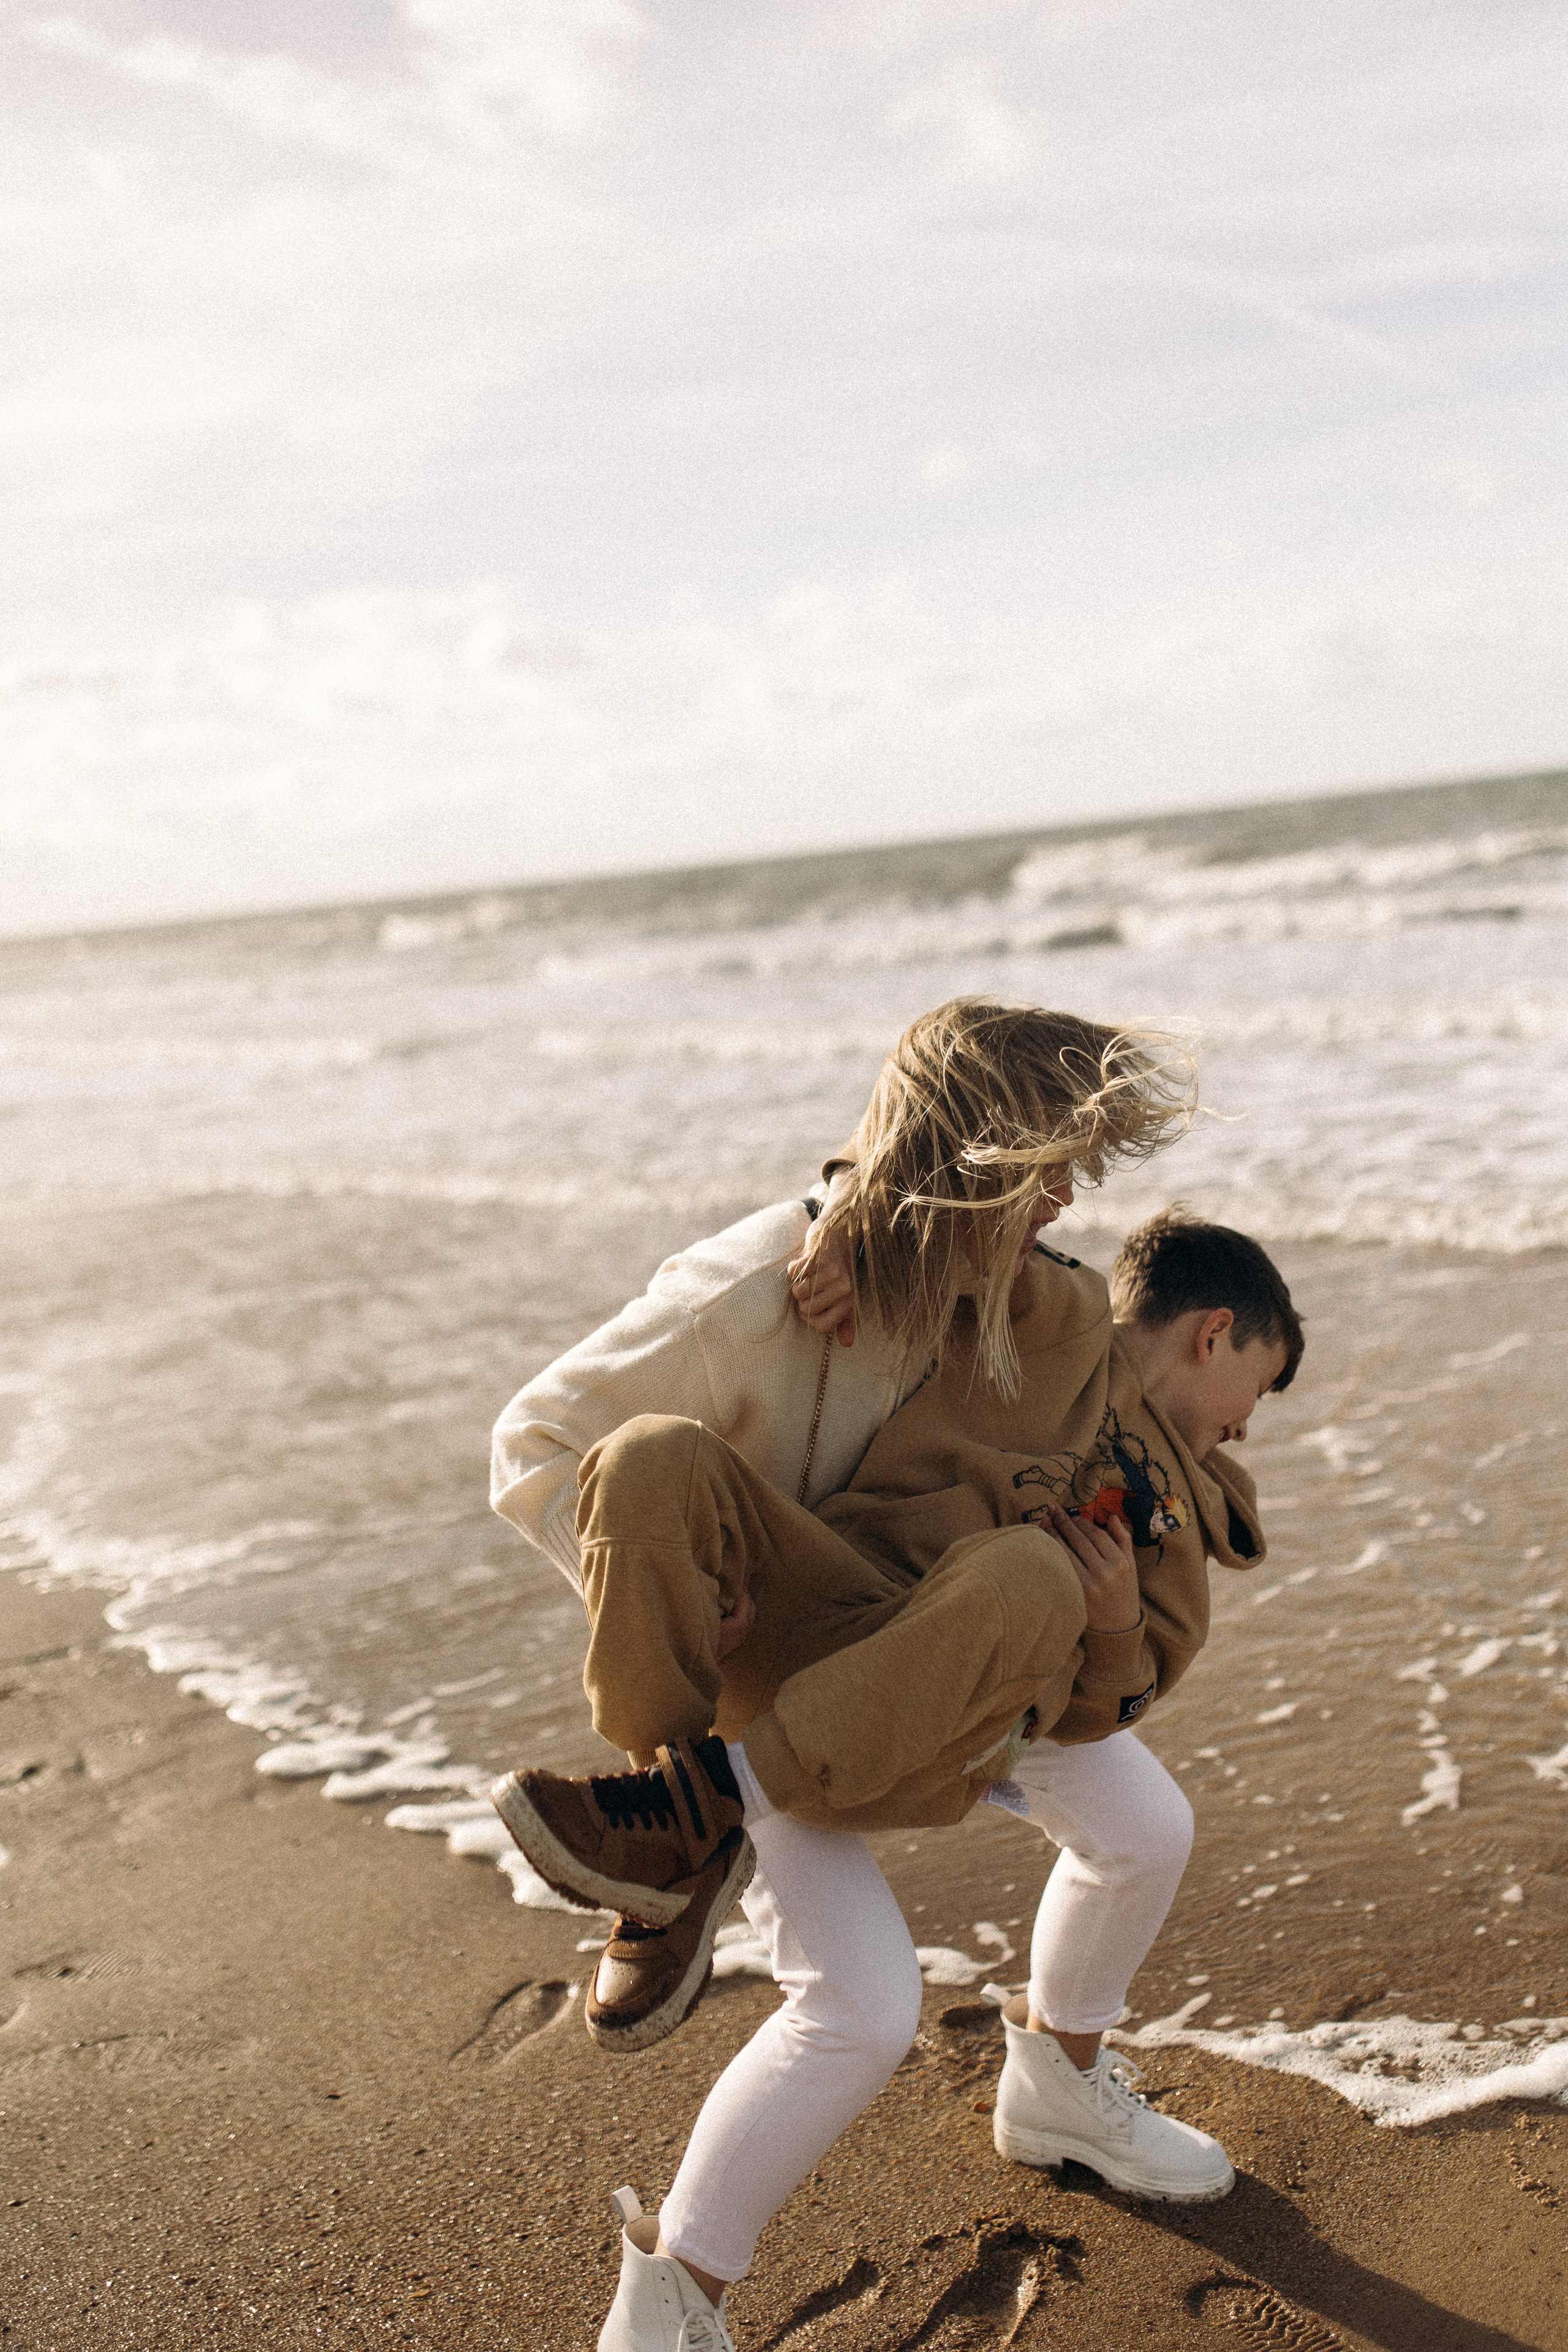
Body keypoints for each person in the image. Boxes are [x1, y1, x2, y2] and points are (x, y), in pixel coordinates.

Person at [488, 999, 1200, 2351]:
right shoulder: (761, 1282)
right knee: (863, 2009)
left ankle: (1056, 2080)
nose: (1067, 1195)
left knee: (1143, 1822)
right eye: (1042, 1166)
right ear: (967, 1154)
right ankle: (670, 2301)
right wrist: (692, 1604)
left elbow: (1124, 1387)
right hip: (791, 1676)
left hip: (947, 1648)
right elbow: (533, 1445)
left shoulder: (1018, 1288)